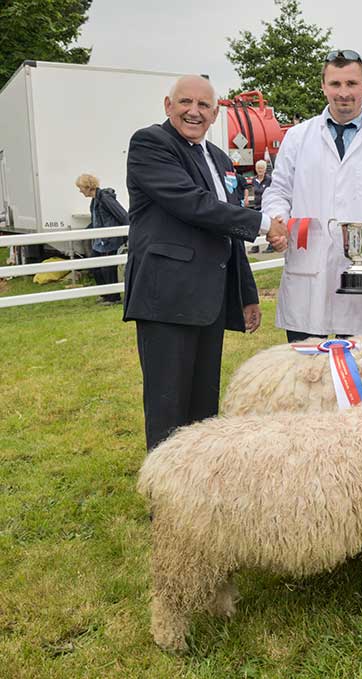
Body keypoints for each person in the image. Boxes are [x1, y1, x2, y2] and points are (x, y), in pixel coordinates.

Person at [124, 75, 287, 452]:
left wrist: (246, 293)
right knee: (168, 410)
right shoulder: (151, 143)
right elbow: (191, 203)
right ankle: (163, 499)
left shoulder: (217, 157)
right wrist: (264, 223)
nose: (193, 112)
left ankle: (197, 492)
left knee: (202, 410)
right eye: (185, 103)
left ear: (215, 113)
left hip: (208, 303)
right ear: (168, 105)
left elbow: (226, 228)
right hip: (166, 299)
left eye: (203, 106)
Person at [262, 49, 362, 343]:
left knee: (360, 374)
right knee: (304, 375)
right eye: (336, 84)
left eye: (351, 84)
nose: (344, 93)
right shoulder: (298, 137)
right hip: (308, 270)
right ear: (323, 86)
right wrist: (278, 223)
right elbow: (278, 192)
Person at [75, 173, 128, 304]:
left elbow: (122, 216)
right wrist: (85, 233)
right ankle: (105, 294)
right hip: (100, 241)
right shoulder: (95, 200)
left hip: (110, 240)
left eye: (81, 187)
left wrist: (126, 234)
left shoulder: (105, 199)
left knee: (107, 269)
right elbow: (96, 221)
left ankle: (114, 297)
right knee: (94, 265)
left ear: (88, 187)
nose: (80, 190)